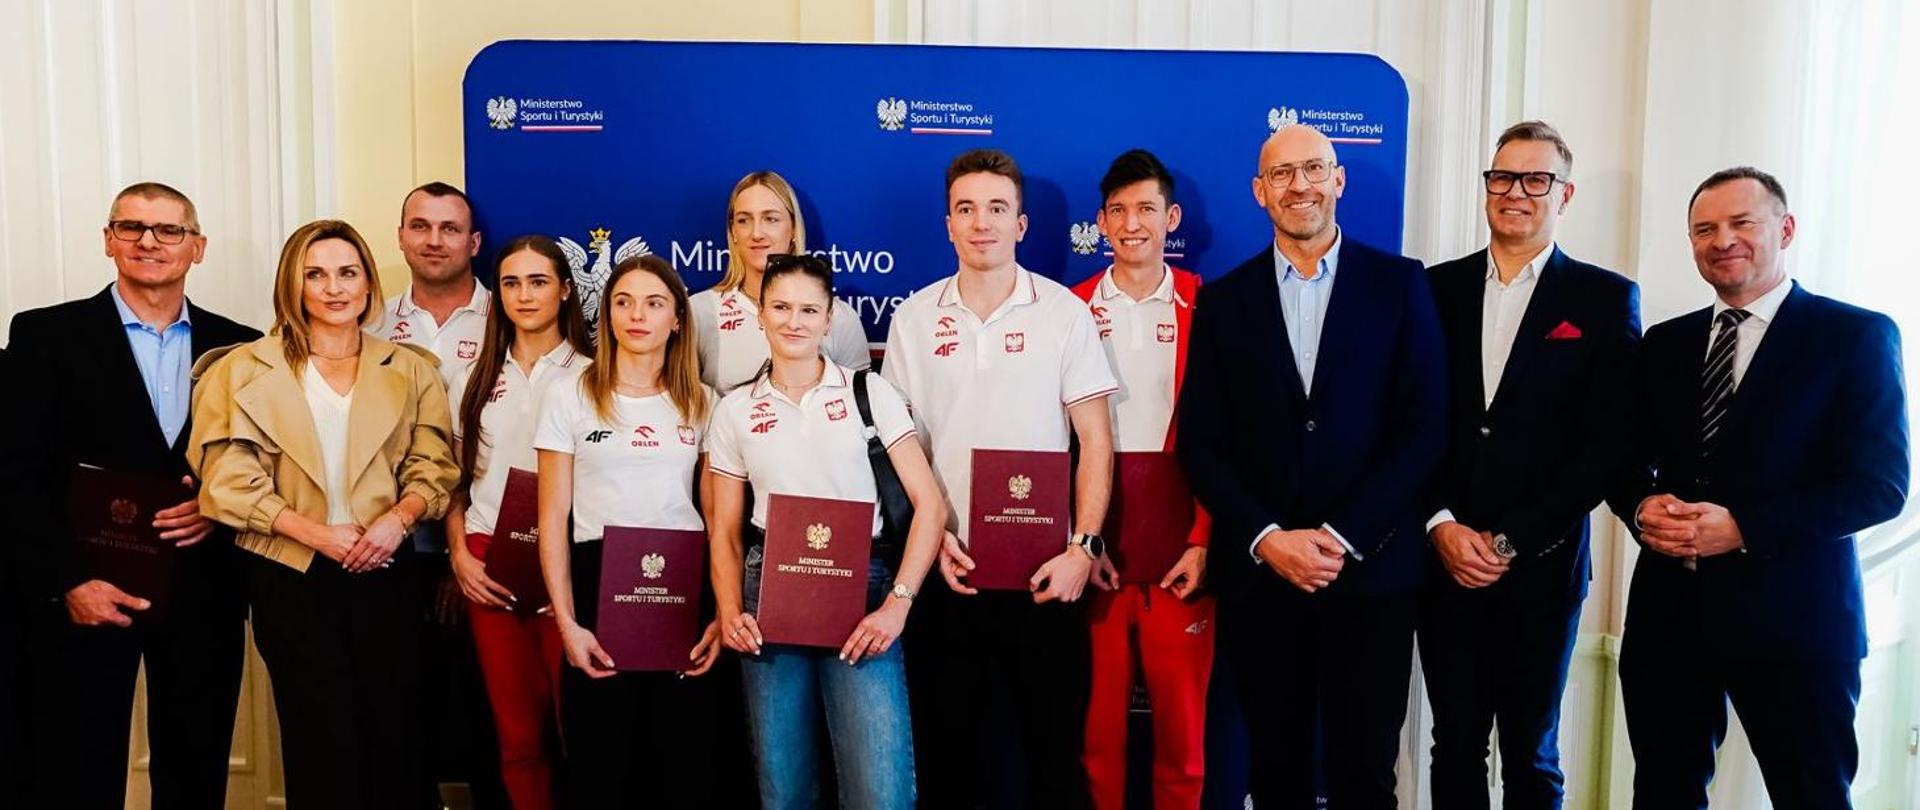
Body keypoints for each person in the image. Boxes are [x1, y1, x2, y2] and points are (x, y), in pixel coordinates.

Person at [1610, 167, 1908, 809]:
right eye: (1704, 229)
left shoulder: (1853, 336)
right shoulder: (1665, 343)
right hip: (1670, 619)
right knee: (1662, 794)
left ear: (1786, 228)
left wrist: (1745, 526)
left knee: (1812, 796)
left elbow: (1879, 487)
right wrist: (1640, 503)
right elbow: (1623, 458)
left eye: (1741, 223)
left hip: (1797, 621)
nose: (1723, 241)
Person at [1175, 124, 1447, 808]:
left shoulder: (1401, 284)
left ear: (1339, 179)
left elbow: (1423, 429)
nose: (1300, 185)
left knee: (1364, 775)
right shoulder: (1224, 301)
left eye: (1314, 169)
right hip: (1263, 582)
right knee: (1276, 772)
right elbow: (1202, 443)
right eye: (1283, 174)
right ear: (1259, 192)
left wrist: (1342, 538)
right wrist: (1269, 538)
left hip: (1372, 574)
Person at [188, 218, 458, 808]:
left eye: (347, 272)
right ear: (293, 283)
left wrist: (398, 521)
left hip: (388, 569)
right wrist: (318, 535)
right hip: (291, 573)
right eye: (316, 274)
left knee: (397, 735)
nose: (333, 287)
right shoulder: (239, 369)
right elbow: (227, 482)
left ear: (367, 284)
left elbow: (433, 465)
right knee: (319, 738)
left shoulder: (411, 368)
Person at [6, 182, 259, 808]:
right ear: (108, 240)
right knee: (73, 770)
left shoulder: (246, 348)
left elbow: (263, 469)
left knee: (195, 770)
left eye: (169, 230)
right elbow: (14, 473)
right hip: (86, 590)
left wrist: (217, 508)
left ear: (197, 248)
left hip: (204, 591)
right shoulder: (45, 336)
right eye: (132, 227)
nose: (150, 242)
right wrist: (66, 582)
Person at [882, 148, 1119, 809]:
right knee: (950, 762)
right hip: (947, 572)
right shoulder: (915, 318)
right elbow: (900, 454)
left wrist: (1084, 548)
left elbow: (1095, 440)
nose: (980, 222)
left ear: (1021, 224)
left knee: (1051, 764)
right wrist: (931, 542)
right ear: (947, 224)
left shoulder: (1064, 314)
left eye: (995, 209)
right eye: (966, 209)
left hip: (1047, 578)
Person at [1420, 121, 1642, 809]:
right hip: (1444, 559)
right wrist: (1440, 525)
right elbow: (1413, 424)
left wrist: (1512, 539)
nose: (1515, 192)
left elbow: (1606, 446)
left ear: (1563, 193)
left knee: (1531, 751)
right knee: (1454, 743)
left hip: (1542, 568)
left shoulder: (1604, 300)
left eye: (1534, 179)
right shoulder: (1435, 290)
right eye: (1502, 178)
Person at [704, 253, 948, 807]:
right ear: (759, 314)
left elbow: (929, 506)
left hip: (865, 589)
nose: (794, 321)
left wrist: (899, 603)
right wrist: (727, 610)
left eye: (809, 309)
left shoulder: (869, 393)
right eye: (781, 307)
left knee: (879, 788)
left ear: (830, 317)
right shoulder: (735, 410)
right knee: (784, 787)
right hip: (768, 594)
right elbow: (723, 530)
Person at [533, 254, 724, 806]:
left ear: (678, 320)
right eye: (623, 301)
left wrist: (718, 613)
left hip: (683, 591)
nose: (636, 315)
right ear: (606, 314)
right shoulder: (569, 395)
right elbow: (552, 519)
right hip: (597, 586)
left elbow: (717, 521)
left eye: (654, 302)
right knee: (602, 765)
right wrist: (567, 623)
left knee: (681, 764)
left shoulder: (703, 403)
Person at [1068, 150, 1214, 810]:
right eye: (1118, 211)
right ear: (1100, 222)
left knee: (1182, 738)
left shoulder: (1206, 304)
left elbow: (1228, 438)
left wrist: (1204, 537)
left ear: (1171, 217)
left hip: (1185, 551)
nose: (1132, 224)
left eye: (1147, 209)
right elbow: (1053, 441)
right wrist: (1082, 542)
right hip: (1094, 552)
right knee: (1098, 736)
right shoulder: (1066, 309)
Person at [446, 235, 594, 810]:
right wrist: (459, 554)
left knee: (575, 725)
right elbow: (455, 483)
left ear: (563, 290)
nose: (524, 294)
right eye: (511, 282)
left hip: (572, 564)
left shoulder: (594, 375)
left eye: (538, 282)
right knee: (518, 734)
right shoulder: (473, 381)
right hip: (491, 567)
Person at [371, 180, 505, 805]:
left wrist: (465, 555)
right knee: (402, 712)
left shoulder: (509, 319)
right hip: (391, 549)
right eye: (420, 226)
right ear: (400, 236)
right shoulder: (371, 324)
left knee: (492, 719)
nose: (434, 239)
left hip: (485, 550)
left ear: (474, 242)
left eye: (449, 228)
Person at [690, 171, 871, 393]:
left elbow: (862, 408)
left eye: (771, 219)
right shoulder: (699, 311)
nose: (756, 233)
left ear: (793, 229)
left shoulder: (839, 317)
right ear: (733, 232)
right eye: (744, 220)